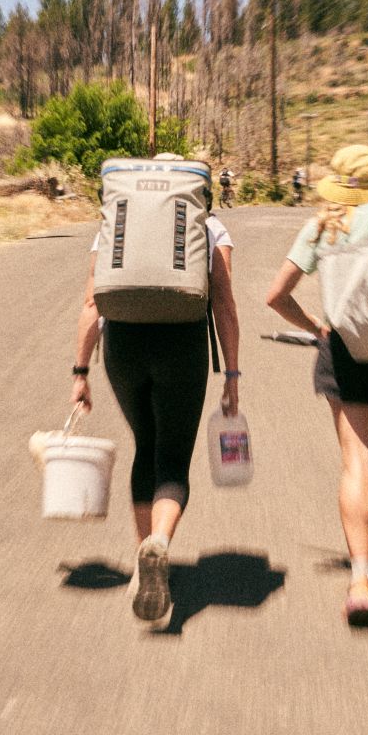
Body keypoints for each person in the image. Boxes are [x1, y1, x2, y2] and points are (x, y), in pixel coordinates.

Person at [71, 158, 240, 624]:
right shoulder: (210, 228)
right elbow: (224, 306)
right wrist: (232, 376)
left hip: (123, 343)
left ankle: (138, 565)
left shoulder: (116, 220)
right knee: (173, 456)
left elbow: (91, 303)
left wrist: (80, 371)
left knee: (144, 445)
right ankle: (160, 543)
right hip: (182, 344)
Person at [264, 144, 368, 627]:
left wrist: (317, 328)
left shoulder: (324, 224)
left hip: (346, 348)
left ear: (337, 182)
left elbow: (275, 295)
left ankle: (359, 579)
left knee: (357, 460)